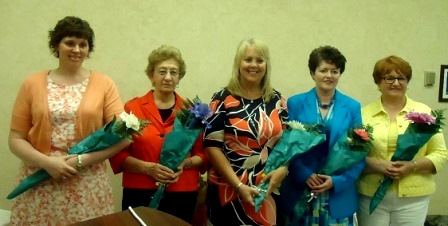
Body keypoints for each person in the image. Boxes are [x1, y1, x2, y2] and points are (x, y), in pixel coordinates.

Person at [8, 16, 129, 225]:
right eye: (70, 42)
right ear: (56, 45)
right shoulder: (31, 83)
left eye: (83, 44)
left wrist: (81, 161)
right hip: (40, 179)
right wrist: (47, 163)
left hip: (86, 183)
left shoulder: (104, 83)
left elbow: (124, 137)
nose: (77, 49)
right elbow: (15, 138)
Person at [109, 45, 206, 224]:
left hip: (182, 192)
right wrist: (147, 168)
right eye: (162, 71)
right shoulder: (133, 108)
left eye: (173, 72)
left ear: (179, 77)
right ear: (151, 75)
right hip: (139, 190)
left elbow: (202, 155)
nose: (168, 77)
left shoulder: (192, 111)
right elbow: (118, 154)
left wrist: (186, 163)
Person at [203, 38, 289, 226]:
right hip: (228, 191)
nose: (254, 65)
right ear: (238, 63)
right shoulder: (222, 99)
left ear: (267, 65)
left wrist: (285, 168)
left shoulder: (277, 100)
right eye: (248, 59)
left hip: (268, 192)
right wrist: (239, 185)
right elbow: (211, 147)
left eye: (260, 60)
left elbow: (288, 144)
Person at [356, 55, 448, 226]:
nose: (396, 83)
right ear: (378, 82)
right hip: (370, 193)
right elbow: (352, 154)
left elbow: (440, 153)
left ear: (407, 81)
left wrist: (412, 166)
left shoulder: (424, 112)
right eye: (389, 78)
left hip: (414, 197)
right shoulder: (362, 114)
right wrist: (377, 165)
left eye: (401, 78)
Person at [278, 45, 364, 225]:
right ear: (312, 73)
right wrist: (304, 174)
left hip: (338, 194)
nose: (329, 76)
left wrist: (338, 180)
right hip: (300, 190)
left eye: (335, 71)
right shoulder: (296, 103)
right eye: (323, 70)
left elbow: (360, 152)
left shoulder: (352, 106)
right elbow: (286, 146)